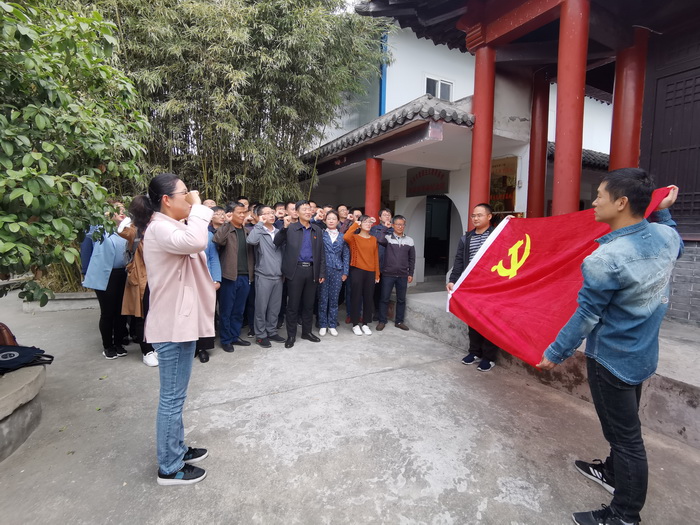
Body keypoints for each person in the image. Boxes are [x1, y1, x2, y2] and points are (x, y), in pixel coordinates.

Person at [536, 170, 682, 525]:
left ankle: (624, 515)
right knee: (625, 427)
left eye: (600, 195)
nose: (594, 202)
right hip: (643, 355)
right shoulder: (665, 237)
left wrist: (556, 352)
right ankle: (613, 474)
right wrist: (663, 210)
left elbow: (587, 314)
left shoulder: (606, 259)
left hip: (611, 360)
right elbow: (674, 236)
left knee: (626, 439)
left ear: (621, 202)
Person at [134, 172, 215, 486]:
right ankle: (169, 467)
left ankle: (177, 449)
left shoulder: (172, 226)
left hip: (180, 322)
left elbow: (196, 245)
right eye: (185, 194)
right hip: (171, 325)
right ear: (167, 200)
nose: (191, 198)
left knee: (176, 396)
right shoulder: (159, 228)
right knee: (171, 398)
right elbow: (197, 241)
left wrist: (193, 214)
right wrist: (200, 208)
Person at [446, 203, 499, 372]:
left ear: (489, 217)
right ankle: (475, 352)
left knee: (490, 321)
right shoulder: (466, 238)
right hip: (472, 286)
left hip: (491, 286)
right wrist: (453, 280)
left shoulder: (497, 235)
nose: (475, 218)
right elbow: (459, 261)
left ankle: (489, 357)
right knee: (473, 320)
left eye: (479, 215)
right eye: (473, 215)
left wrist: (514, 223)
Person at [274, 200, 326, 348]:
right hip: (295, 271)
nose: (308, 212)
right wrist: (284, 228)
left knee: (309, 304)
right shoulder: (290, 228)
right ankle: (291, 335)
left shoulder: (317, 230)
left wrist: (321, 272)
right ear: (296, 212)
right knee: (293, 305)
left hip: (312, 271)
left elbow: (321, 253)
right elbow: (276, 242)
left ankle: (307, 332)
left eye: (309, 209)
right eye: (304, 209)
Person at [82, 202, 129, 360]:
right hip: (105, 275)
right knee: (108, 312)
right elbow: (89, 233)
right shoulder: (100, 229)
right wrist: (102, 217)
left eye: (123, 209)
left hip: (123, 274)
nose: (121, 211)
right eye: (117, 209)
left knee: (121, 312)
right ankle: (108, 346)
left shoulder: (126, 229)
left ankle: (119, 344)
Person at [116, 209, 158, 367]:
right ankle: (147, 351)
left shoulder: (159, 228)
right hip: (142, 278)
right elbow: (122, 231)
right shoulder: (135, 230)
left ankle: (156, 347)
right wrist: (126, 218)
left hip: (158, 278)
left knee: (156, 315)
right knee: (142, 316)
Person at [213, 202, 255, 352]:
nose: (243, 215)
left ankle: (235, 336)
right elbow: (218, 240)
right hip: (229, 276)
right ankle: (226, 340)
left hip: (245, 276)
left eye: (244, 212)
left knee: (238, 310)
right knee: (226, 310)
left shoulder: (247, 231)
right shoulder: (227, 230)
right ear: (231, 214)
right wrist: (226, 223)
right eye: (239, 212)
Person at [246, 205, 285, 348]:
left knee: (275, 307)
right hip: (263, 275)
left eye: (272, 213)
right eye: (267, 213)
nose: (271, 215)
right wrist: (259, 223)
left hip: (278, 276)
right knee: (261, 307)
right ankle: (261, 335)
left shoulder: (279, 232)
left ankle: (272, 331)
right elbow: (251, 241)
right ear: (260, 216)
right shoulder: (258, 231)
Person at [376, 215, 415, 331]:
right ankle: (382, 321)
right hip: (388, 274)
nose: (400, 227)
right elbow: (380, 240)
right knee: (384, 298)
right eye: (398, 224)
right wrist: (385, 228)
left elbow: (412, 259)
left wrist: (410, 273)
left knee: (401, 299)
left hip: (403, 275)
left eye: (402, 224)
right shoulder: (388, 238)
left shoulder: (409, 240)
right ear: (393, 225)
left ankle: (399, 321)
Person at [344, 215, 380, 336]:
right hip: (357, 270)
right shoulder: (354, 238)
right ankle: (355, 324)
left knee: (368, 298)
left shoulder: (373, 239)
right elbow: (346, 236)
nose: (368, 224)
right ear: (360, 224)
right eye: (365, 222)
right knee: (356, 297)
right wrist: (356, 223)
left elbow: (375, 257)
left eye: (370, 222)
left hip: (370, 271)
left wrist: (377, 274)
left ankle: (365, 323)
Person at [318, 210, 349, 336]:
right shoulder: (321, 234)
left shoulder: (343, 236)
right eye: (329, 218)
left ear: (338, 221)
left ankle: (332, 324)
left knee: (334, 299)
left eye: (333, 219)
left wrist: (345, 272)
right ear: (325, 221)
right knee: (323, 298)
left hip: (338, 270)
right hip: (323, 270)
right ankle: (322, 324)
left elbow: (346, 255)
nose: (331, 221)